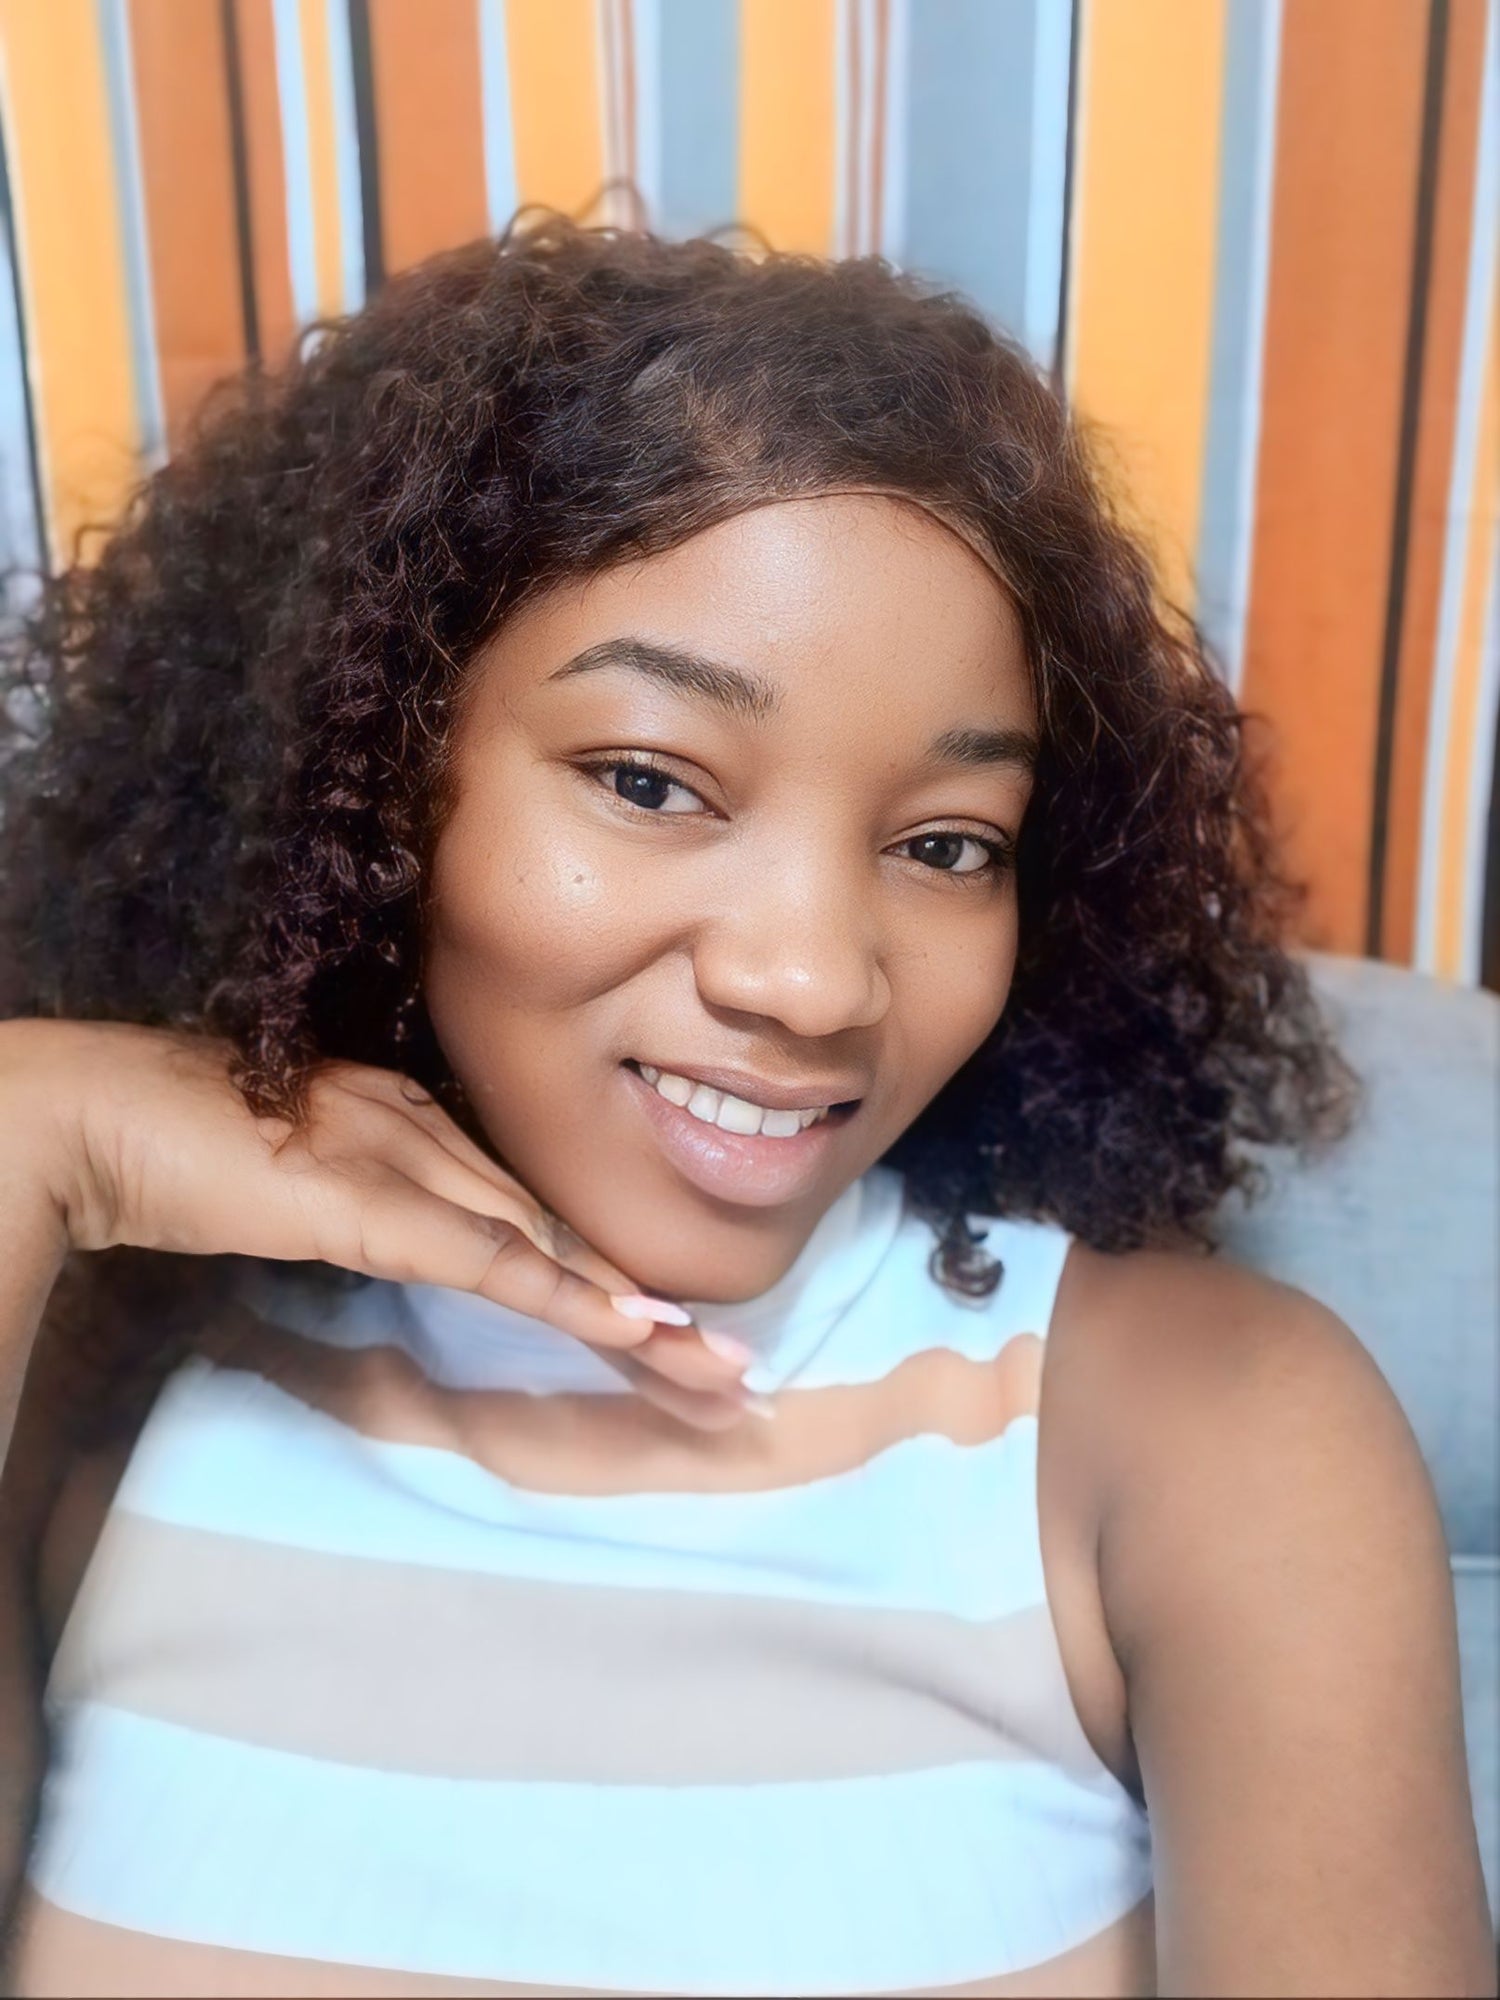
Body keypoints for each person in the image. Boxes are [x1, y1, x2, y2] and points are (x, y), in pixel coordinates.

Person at [0, 209, 1491, 1999]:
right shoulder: (105, 1376)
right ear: (370, 775)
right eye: (652, 782)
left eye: (946, 845)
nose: (816, 981)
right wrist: (26, 1138)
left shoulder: (1203, 1439)